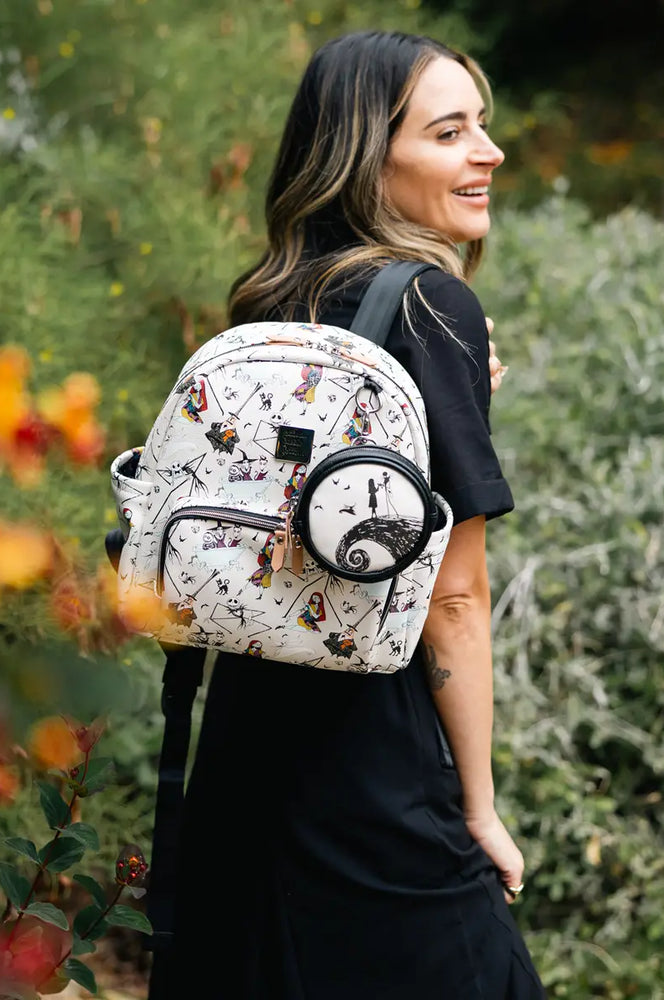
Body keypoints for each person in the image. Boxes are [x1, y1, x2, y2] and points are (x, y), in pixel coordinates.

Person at [170, 30, 545, 999]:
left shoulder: (268, 296)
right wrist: (479, 806)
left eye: (483, 127)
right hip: (375, 774)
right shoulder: (430, 308)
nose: (487, 152)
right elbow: (452, 599)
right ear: (367, 158)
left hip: (242, 763)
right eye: (450, 132)